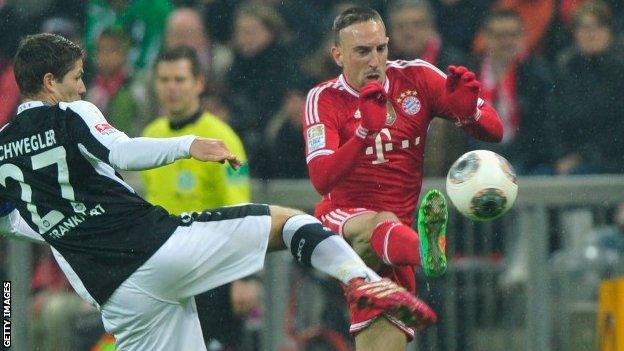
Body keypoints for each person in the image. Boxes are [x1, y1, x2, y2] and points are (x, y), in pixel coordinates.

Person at [0, 33, 435, 351]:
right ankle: (362, 281)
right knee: (292, 222)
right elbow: (122, 151)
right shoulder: (72, 113)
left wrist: (62, 225)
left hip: (116, 297)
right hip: (163, 248)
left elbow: (14, 222)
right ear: (51, 80)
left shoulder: (4, 150)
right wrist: (189, 146)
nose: (81, 87)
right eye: (76, 78)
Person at [302, 7, 503, 351]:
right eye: (362, 51)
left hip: (395, 248)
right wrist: (365, 131)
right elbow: (321, 179)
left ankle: (416, 249)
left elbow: (494, 131)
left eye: (380, 48)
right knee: (379, 222)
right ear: (338, 55)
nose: (374, 60)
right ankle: (426, 252)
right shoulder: (323, 99)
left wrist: (468, 112)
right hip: (342, 225)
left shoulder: (418, 78)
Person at [141, 45, 255, 349]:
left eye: (179, 80)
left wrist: (244, 277)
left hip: (212, 273)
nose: (171, 88)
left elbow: (239, 209)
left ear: (199, 83)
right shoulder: (149, 136)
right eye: (164, 80)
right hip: (163, 274)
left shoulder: (222, 138)